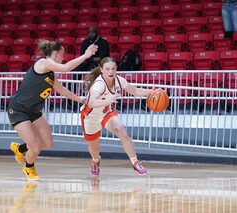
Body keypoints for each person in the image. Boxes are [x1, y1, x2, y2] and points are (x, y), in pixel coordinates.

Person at [8, 40, 98, 180]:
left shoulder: (50, 74)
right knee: (36, 148)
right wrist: (86, 55)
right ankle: (29, 167)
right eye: (62, 55)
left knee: (47, 143)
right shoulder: (43, 63)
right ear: (56, 54)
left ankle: (20, 149)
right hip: (19, 110)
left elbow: (62, 90)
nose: (63, 58)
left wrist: (81, 100)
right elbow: (66, 68)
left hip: (34, 111)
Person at [80, 57, 153, 176]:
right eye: (107, 69)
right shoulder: (99, 84)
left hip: (107, 112)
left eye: (113, 69)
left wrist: (152, 91)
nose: (111, 72)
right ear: (101, 70)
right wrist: (107, 99)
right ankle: (95, 160)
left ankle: (135, 163)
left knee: (123, 133)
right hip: (91, 116)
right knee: (94, 148)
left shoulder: (119, 80)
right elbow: (91, 102)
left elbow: (135, 91)